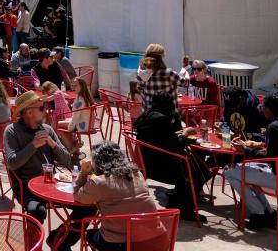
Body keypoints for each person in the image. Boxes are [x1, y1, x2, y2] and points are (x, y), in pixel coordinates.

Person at [4, 91, 90, 250]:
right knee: (36, 211)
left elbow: (66, 160)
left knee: (89, 205)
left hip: (52, 183)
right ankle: (32, 248)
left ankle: (59, 241)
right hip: (27, 187)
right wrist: (33, 145)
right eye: (42, 107)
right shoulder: (12, 131)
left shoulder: (48, 129)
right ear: (29, 111)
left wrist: (52, 144)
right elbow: (12, 163)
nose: (46, 110)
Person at [132, 91, 210, 221]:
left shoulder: (147, 116)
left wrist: (176, 130)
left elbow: (164, 139)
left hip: (147, 162)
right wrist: (185, 134)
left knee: (194, 165)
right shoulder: (161, 119)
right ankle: (184, 209)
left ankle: (177, 199)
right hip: (160, 168)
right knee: (198, 171)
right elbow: (175, 146)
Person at [223, 93, 278, 230]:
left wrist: (245, 149)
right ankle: (268, 212)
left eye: (263, 107)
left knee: (229, 170)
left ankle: (259, 213)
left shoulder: (274, 127)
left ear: (269, 109)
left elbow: (269, 159)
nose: (262, 110)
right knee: (248, 171)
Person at [71, 142, 158, 251]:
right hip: (152, 240)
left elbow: (77, 195)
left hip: (119, 244)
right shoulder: (137, 174)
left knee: (89, 234)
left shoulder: (99, 183)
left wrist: (83, 172)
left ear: (98, 161)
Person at [134, 43, 186, 113]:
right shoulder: (169, 73)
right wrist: (186, 73)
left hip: (148, 116)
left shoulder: (141, 73)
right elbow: (184, 83)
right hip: (168, 117)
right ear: (161, 57)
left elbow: (140, 88)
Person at [55, 77, 95, 150]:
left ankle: (71, 146)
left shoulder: (79, 101)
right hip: (88, 124)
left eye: (75, 86)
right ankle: (74, 143)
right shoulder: (86, 97)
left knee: (56, 124)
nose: (73, 88)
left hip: (82, 126)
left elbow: (75, 117)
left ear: (82, 87)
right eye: (72, 86)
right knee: (65, 122)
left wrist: (70, 128)